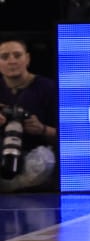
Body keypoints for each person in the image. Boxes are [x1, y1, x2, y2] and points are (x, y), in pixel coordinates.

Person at [0, 38, 57, 191]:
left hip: (32, 157)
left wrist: (43, 129)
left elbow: (70, 137)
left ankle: (10, 186)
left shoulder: (49, 88)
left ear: (27, 59)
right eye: (5, 57)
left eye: (17, 55)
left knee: (45, 159)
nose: (12, 61)